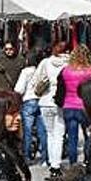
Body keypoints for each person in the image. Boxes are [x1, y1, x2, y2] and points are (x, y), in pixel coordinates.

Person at [33, 42, 69, 171]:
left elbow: (36, 80)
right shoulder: (68, 64)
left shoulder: (45, 62)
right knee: (59, 134)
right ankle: (56, 164)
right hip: (60, 101)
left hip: (45, 100)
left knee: (50, 133)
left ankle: (50, 160)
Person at [59, 45, 91, 165]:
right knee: (88, 135)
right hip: (85, 106)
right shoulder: (90, 71)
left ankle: (73, 163)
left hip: (68, 105)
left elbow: (61, 88)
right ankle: (87, 160)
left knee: (72, 138)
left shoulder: (66, 71)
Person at [15, 50, 47, 164]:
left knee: (27, 131)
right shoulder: (43, 70)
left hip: (28, 101)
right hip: (41, 100)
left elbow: (19, 89)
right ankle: (45, 157)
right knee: (42, 131)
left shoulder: (26, 71)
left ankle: (27, 157)